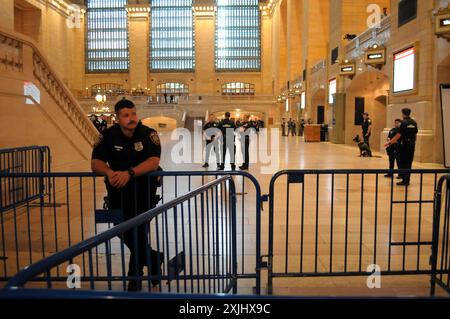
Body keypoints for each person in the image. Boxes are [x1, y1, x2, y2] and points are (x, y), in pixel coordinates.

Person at [91, 98, 164, 291]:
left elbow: (153, 162)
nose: (131, 118)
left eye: (133, 114)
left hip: (143, 192)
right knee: (122, 231)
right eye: (126, 115)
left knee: (139, 232)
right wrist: (109, 172)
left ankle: (135, 278)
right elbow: (96, 162)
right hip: (117, 194)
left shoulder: (148, 134)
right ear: (117, 117)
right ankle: (154, 258)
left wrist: (129, 173)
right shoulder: (108, 136)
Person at [385, 108, 418, 186]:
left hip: (404, 146)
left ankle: (404, 180)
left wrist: (390, 142)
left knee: (403, 163)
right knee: (409, 163)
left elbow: (398, 135)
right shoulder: (414, 122)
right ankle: (407, 180)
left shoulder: (403, 123)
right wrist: (413, 142)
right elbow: (415, 134)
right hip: (411, 146)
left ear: (403, 114)